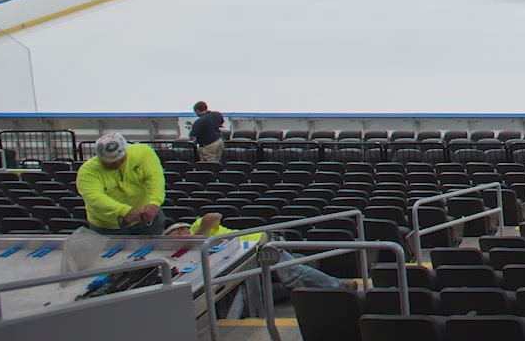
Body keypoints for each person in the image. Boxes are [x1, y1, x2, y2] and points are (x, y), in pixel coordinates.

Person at [169, 213, 343, 318]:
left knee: (292, 274)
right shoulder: (192, 253)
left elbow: (214, 217)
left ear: (182, 231)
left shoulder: (196, 228)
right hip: (246, 261)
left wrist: (197, 237)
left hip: (259, 244)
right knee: (245, 290)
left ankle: (338, 286)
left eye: (174, 236)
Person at [76, 133, 166, 237]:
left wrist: (155, 202)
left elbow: (155, 178)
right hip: (107, 228)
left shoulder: (143, 153)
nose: (117, 163)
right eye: (111, 162)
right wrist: (124, 211)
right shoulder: (87, 172)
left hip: (147, 220)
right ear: (100, 158)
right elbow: (95, 198)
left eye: (121, 159)